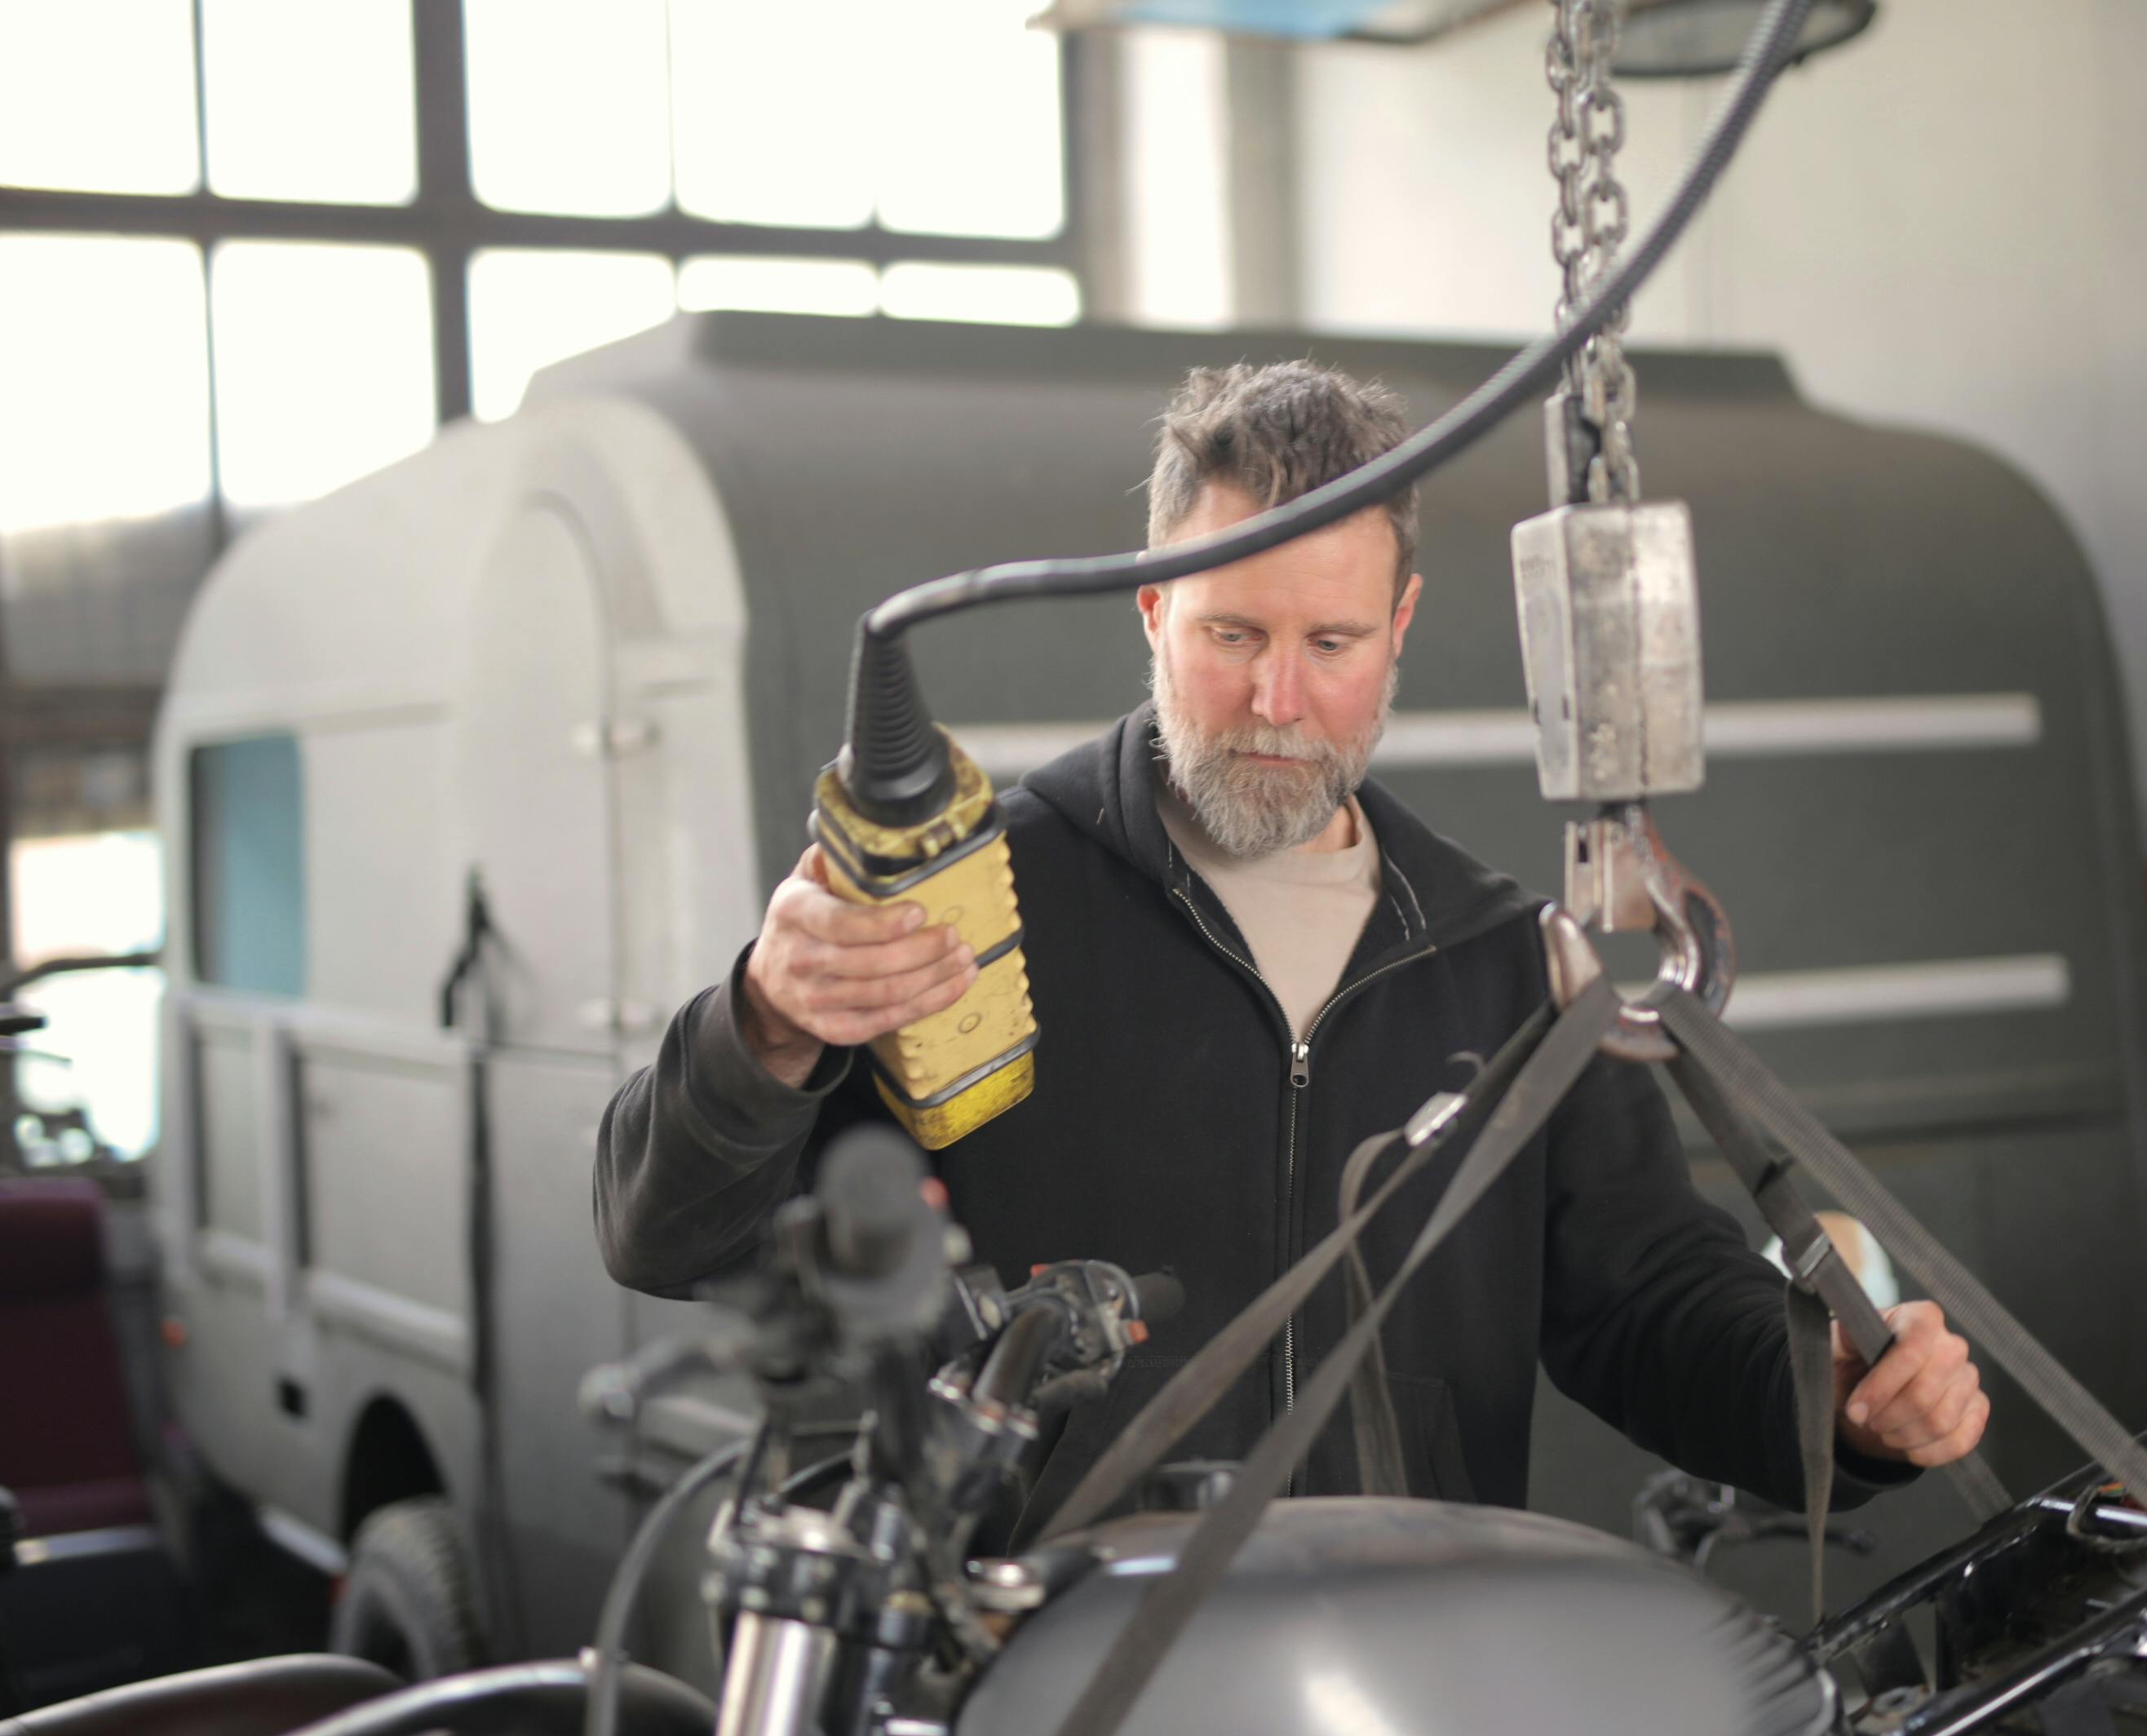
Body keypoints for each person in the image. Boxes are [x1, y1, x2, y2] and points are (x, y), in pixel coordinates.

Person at [595, 360, 1988, 1540]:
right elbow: (665, 1237)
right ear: (1151, 612)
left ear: (1401, 631)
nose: (1277, 698)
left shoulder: (1501, 954)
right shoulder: (973, 896)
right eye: (1231, 634)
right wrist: (765, 1026)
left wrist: (1839, 1410)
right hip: (1041, 1671)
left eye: (1330, 641)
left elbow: (1643, 1301)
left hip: (1385, 1677)